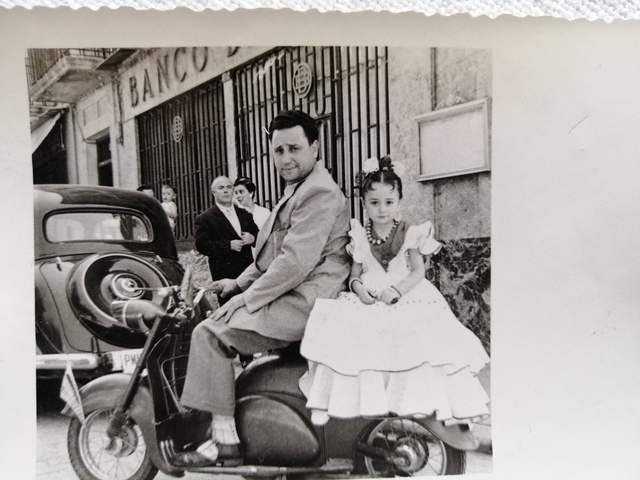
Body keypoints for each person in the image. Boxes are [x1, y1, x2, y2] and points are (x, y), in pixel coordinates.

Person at [176, 110, 351, 467]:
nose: (285, 159)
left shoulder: (318, 192)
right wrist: (236, 283)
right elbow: (271, 256)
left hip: (308, 301)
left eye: (294, 149)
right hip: (298, 293)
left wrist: (246, 298)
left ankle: (224, 441)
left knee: (209, 334)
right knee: (220, 320)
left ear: (315, 148)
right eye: (278, 150)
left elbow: (294, 263)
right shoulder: (299, 189)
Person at [299, 156, 491, 429]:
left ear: (399, 201)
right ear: (364, 203)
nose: (382, 209)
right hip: (370, 295)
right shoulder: (360, 235)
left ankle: (420, 403)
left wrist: (397, 290)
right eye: (374, 203)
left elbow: (418, 271)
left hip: (406, 291)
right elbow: (355, 274)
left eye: (389, 202)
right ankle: (352, 402)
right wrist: (359, 289)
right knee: (351, 339)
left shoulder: (410, 232)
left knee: (416, 345)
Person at [195, 176, 259, 301]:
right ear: (213, 193)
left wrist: (252, 238)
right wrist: (228, 245)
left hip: (247, 272)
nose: (226, 191)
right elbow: (201, 245)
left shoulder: (244, 214)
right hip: (224, 274)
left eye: (229, 187)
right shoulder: (206, 218)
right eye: (221, 188)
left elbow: (258, 234)